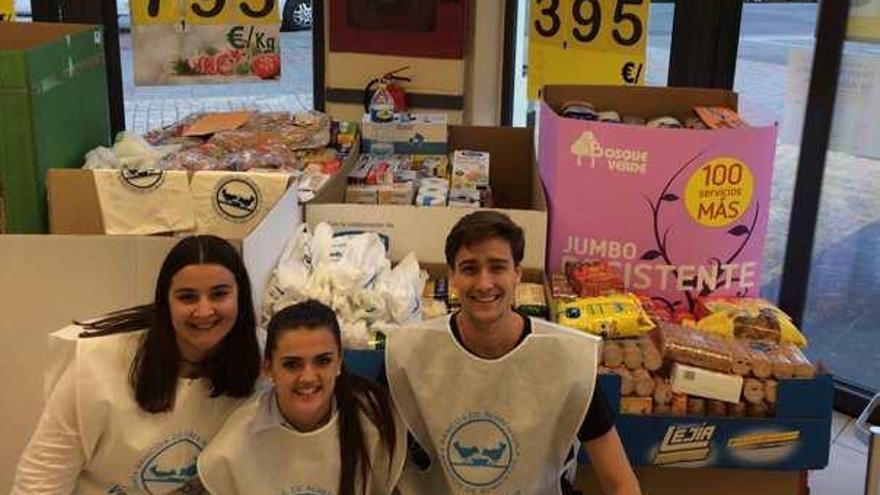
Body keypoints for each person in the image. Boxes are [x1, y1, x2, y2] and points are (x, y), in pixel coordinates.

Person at [386, 210, 641, 495]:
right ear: (452, 276)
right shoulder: (408, 355)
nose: (484, 283)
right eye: (470, 268)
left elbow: (621, 482)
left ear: (517, 273)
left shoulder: (567, 360)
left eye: (497, 267)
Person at [12, 235, 262, 495]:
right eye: (187, 297)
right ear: (165, 302)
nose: (204, 310)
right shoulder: (99, 364)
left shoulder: (262, 363)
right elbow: (41, 477)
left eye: (219, 294)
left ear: (241, 297)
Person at [198, 300, 406, 495]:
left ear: (339, 362)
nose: (307, 377)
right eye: (292, 364)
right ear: (268, 368)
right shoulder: (234, 445)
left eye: (323, 361)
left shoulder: (373, 421)